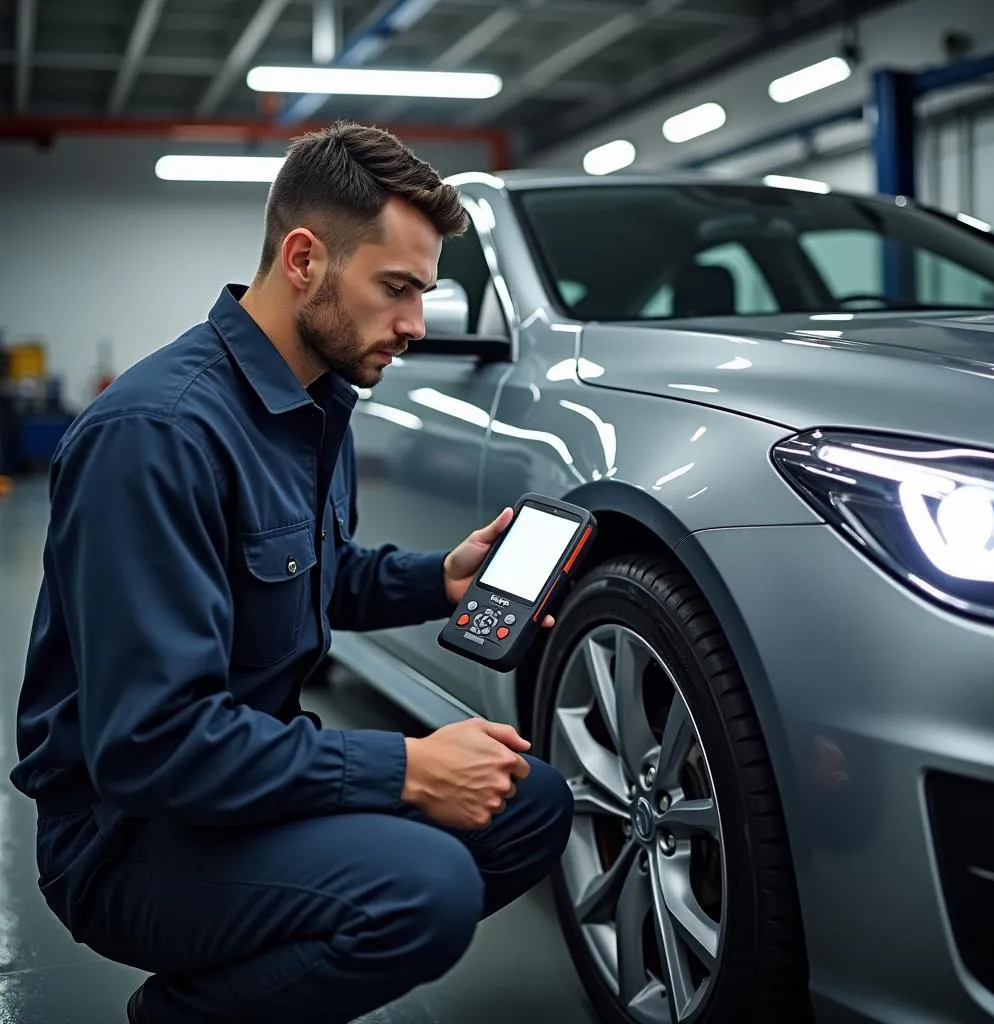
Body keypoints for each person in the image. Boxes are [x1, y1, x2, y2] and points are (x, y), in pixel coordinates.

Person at [9, 120, 575, 1024]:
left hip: (243, 780)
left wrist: (443, 579)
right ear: (305, 258)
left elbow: (315, 574)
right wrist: (405, 767)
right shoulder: (157, 436)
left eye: (424, 295)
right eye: (396, 289)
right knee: (420, 888)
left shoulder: (314, 402)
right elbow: (151, 744)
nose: (414, 327)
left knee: (530, 802)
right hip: (128, 833)